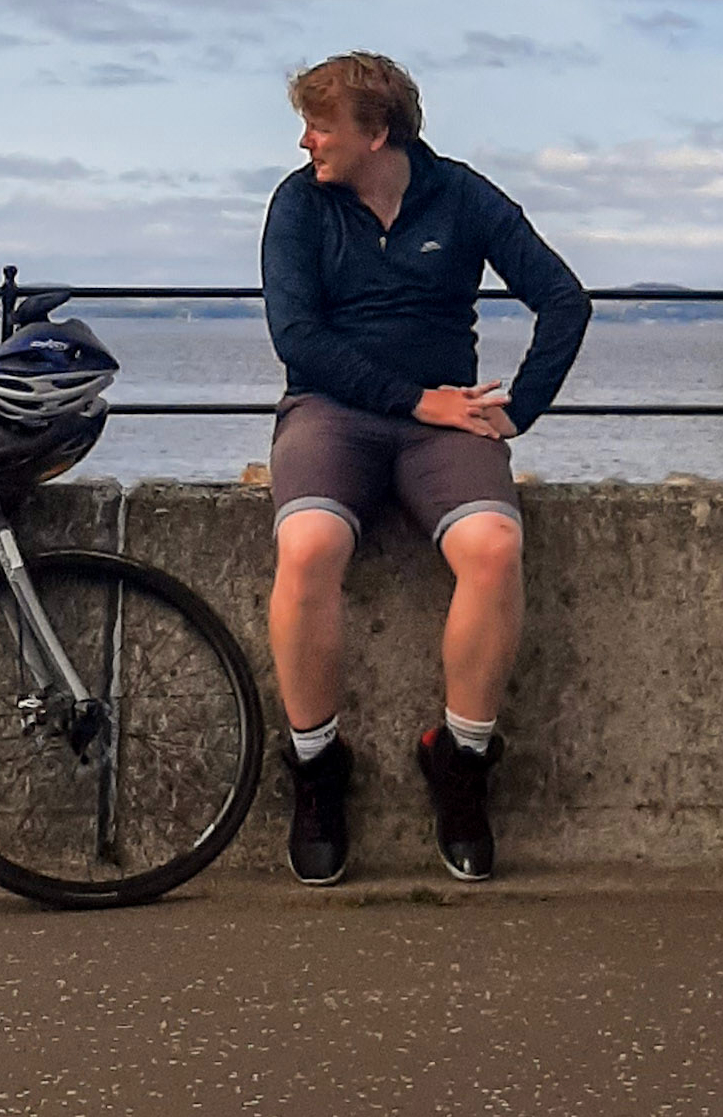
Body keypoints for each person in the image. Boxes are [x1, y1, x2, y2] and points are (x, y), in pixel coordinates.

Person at [260, 52, 590, 884]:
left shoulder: (462, 195)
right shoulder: (299, 204)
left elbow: (563, 298)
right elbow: (298, 339)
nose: (306, 141)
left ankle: (461, 759)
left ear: (376, 132)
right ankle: (317, 768)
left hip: (440, 423)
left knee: (491, 547)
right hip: (332, 411)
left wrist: (518, 409)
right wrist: (416, 399)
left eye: (321, 126)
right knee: (306, 549)